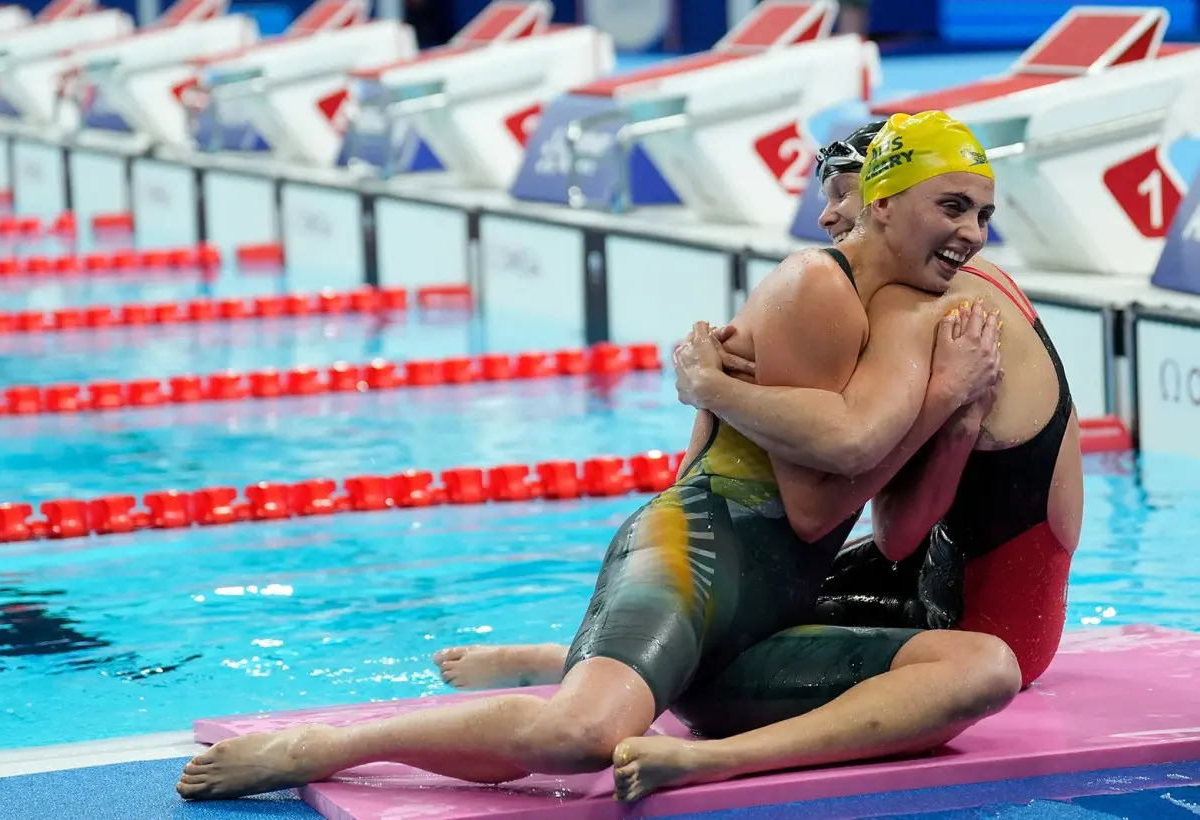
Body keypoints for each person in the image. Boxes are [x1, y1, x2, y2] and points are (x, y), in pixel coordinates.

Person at [175, 111, 1011, 802]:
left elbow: (897, 537)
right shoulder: (816, 288)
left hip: (766, 617)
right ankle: (325, 747)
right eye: (952, 210)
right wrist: (936, 400)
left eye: (981, 215)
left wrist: (963, 418)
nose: (973, 235)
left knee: (985, 667)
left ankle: (691, 740)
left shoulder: (907, 323)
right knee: (581, 736)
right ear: (886, 204)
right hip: (698, 560)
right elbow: (814, 510)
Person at [436, 118, 1084, 802]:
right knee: (766, 576)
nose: (829, 214)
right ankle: (598, 664)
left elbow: (865, 498)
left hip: (968, 610)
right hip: (1008, 600)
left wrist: (714, 387)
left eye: (843, 192)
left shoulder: (913, 306)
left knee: (774, 579)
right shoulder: (966, 285)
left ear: (884, 200)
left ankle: (593, 664)